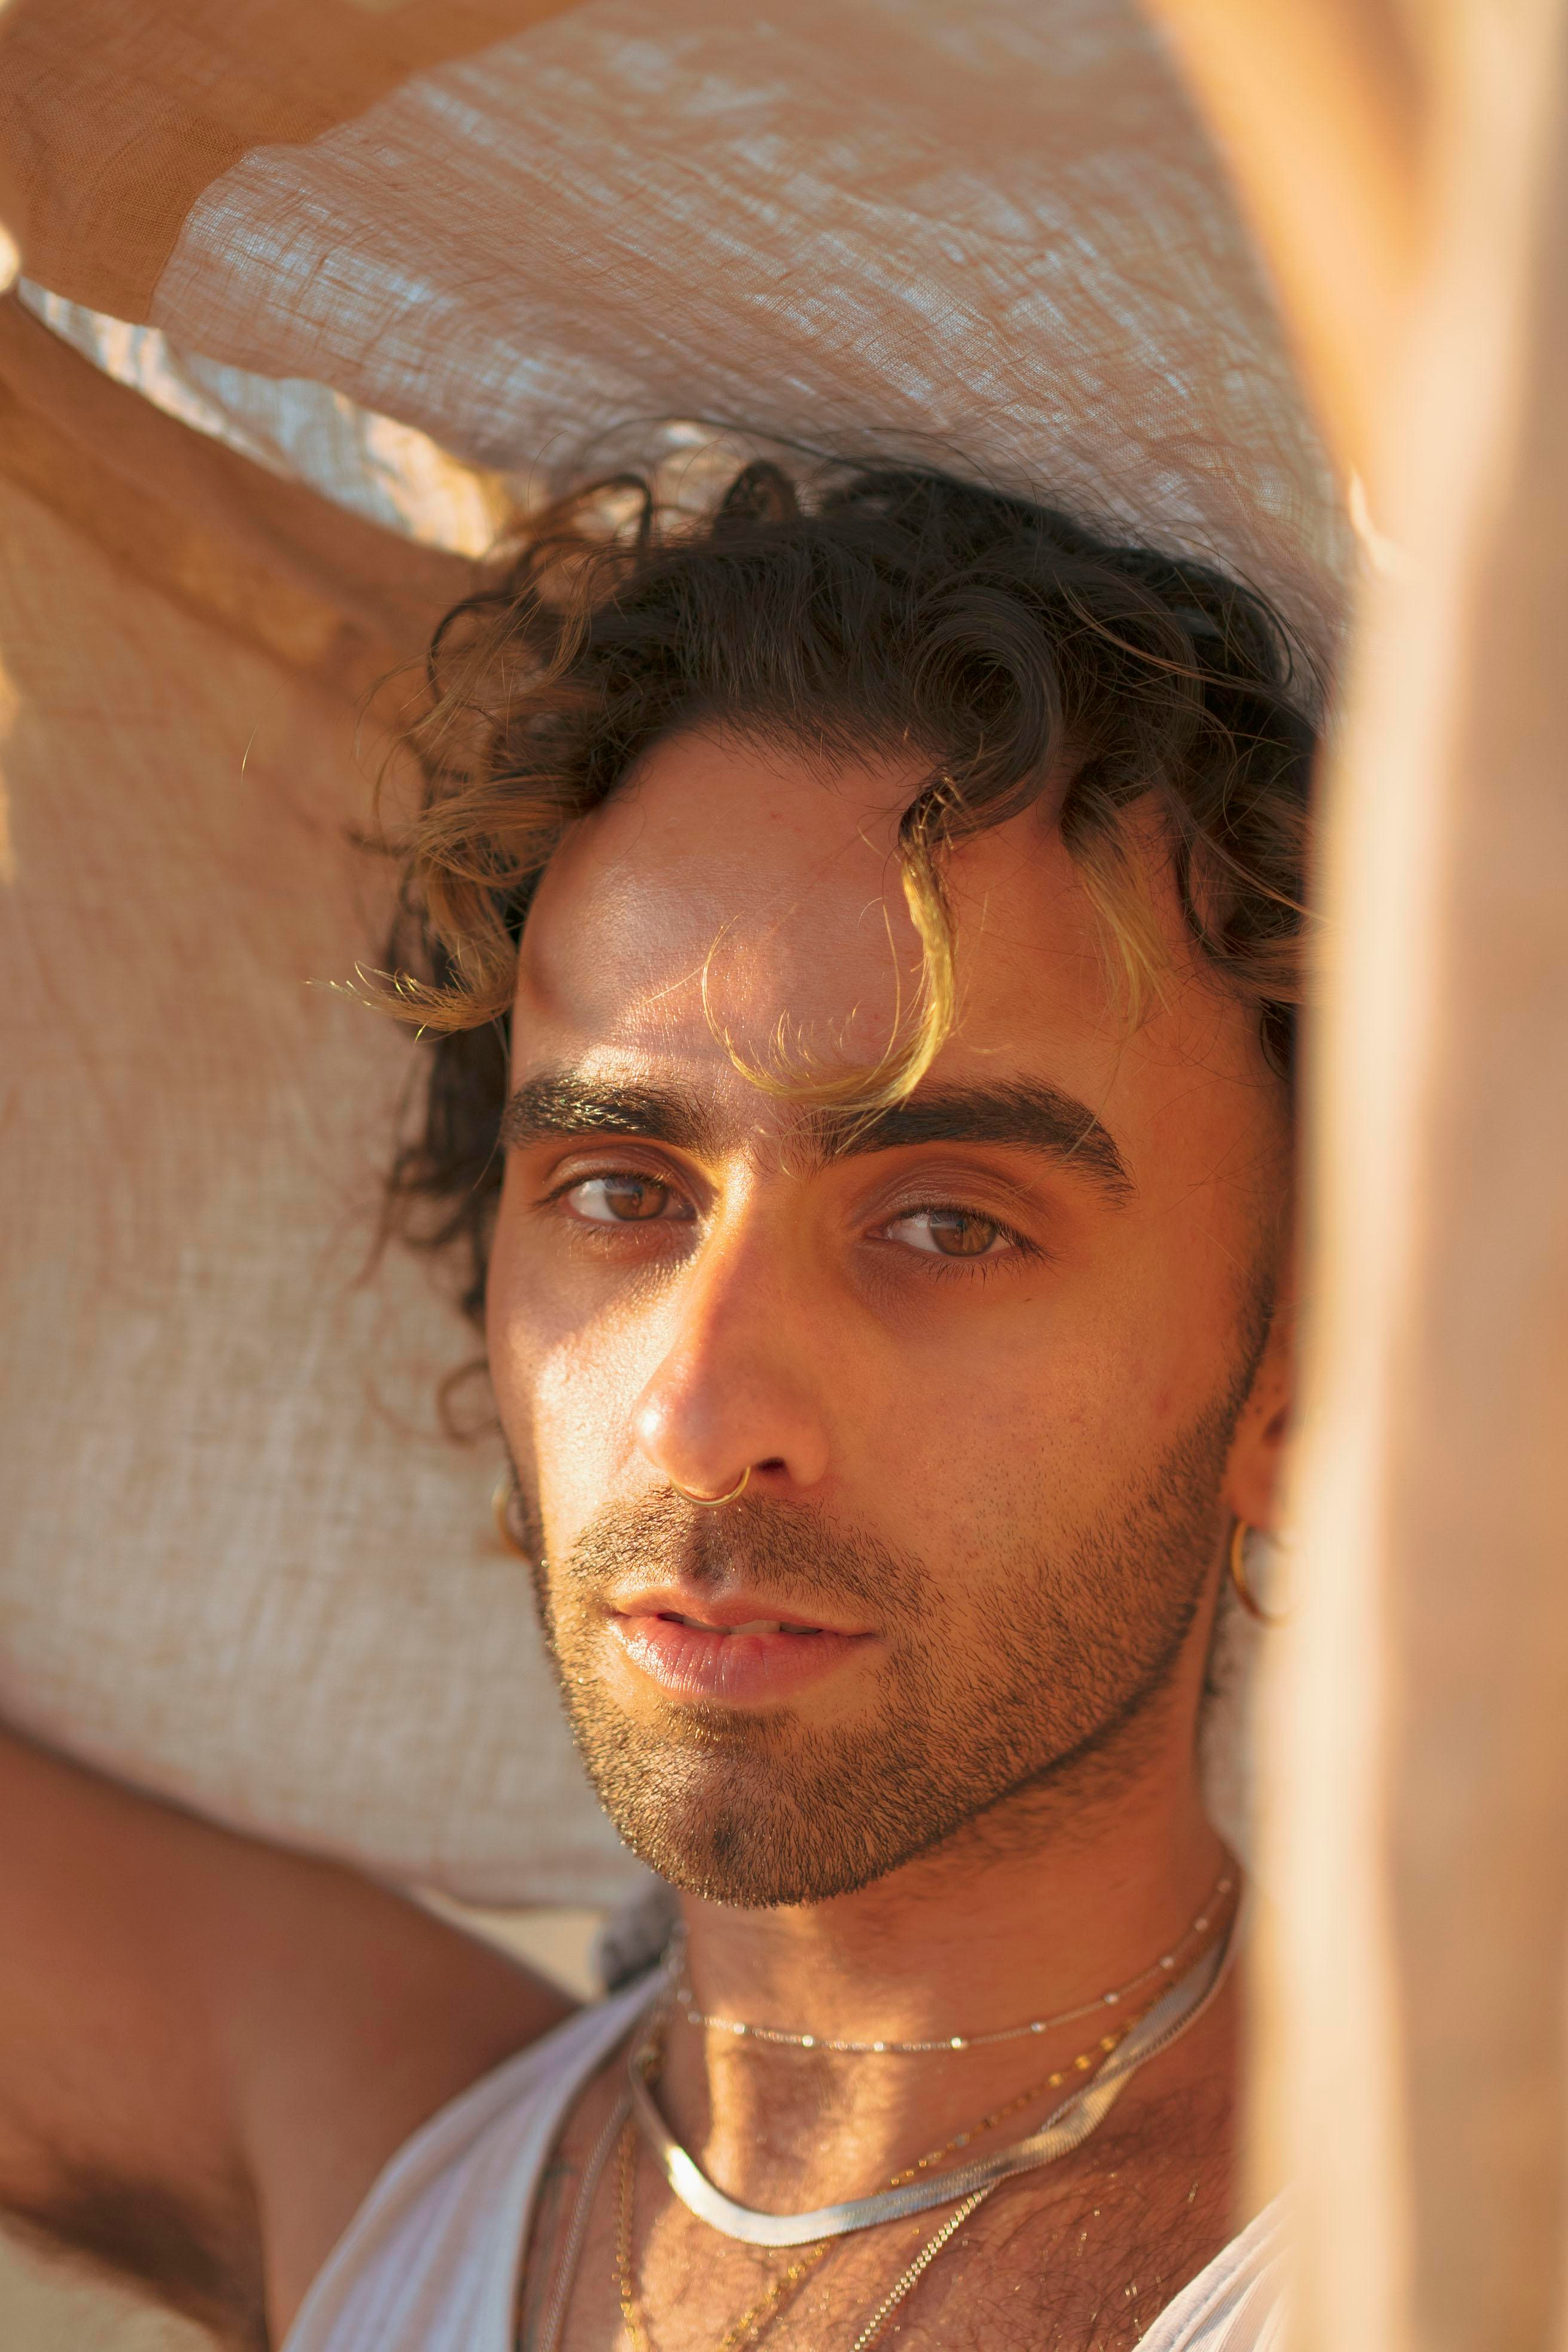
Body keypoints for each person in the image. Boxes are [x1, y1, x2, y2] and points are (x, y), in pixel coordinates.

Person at [0, 462, 1309, 2351]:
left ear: (1295, 1390)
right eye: (621, 1195)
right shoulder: (400, 2163)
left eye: (948, 1221)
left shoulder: (1452, 2253)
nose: (700, 1413)